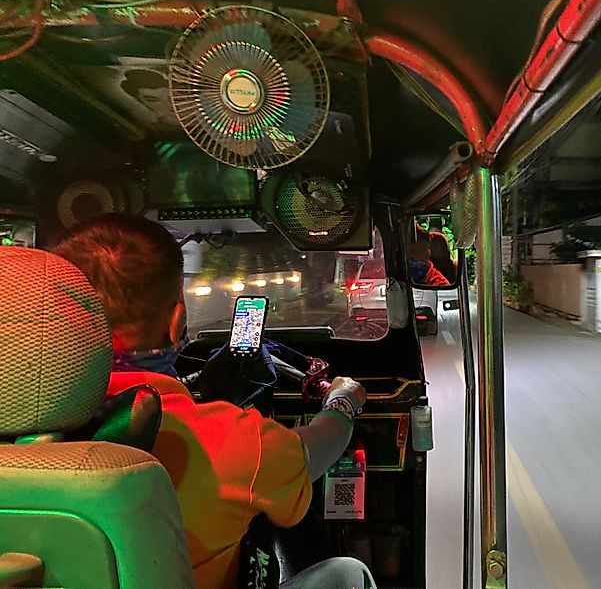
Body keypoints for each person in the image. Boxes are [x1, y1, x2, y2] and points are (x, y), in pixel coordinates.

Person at [52, 213, 375, 589]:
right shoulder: (231, 439)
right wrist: (342, 402)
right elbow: (315, 452)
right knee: (347, 574)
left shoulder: (19, 426)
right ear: (177, 322)